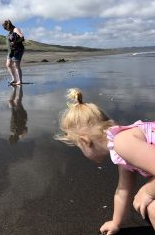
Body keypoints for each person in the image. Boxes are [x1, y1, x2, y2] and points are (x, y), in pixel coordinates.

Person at [56, 88, 155, 235]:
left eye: (79, 147)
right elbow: (123, 191)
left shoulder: (123, 142)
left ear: (85, 141)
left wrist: (147, 191)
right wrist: (116, 223)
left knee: (152, 207)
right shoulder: (121, 153)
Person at [2, 19, 25, 85]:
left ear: (7, 26)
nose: (5, 29)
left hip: (17, 50)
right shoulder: (10, 31)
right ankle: (14, 79)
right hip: (11, 51)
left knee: (16, 65)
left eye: (5, 28)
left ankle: (20, 81)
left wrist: (15, 42)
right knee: (8, 64)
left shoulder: (15, 29)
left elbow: (22, 37)